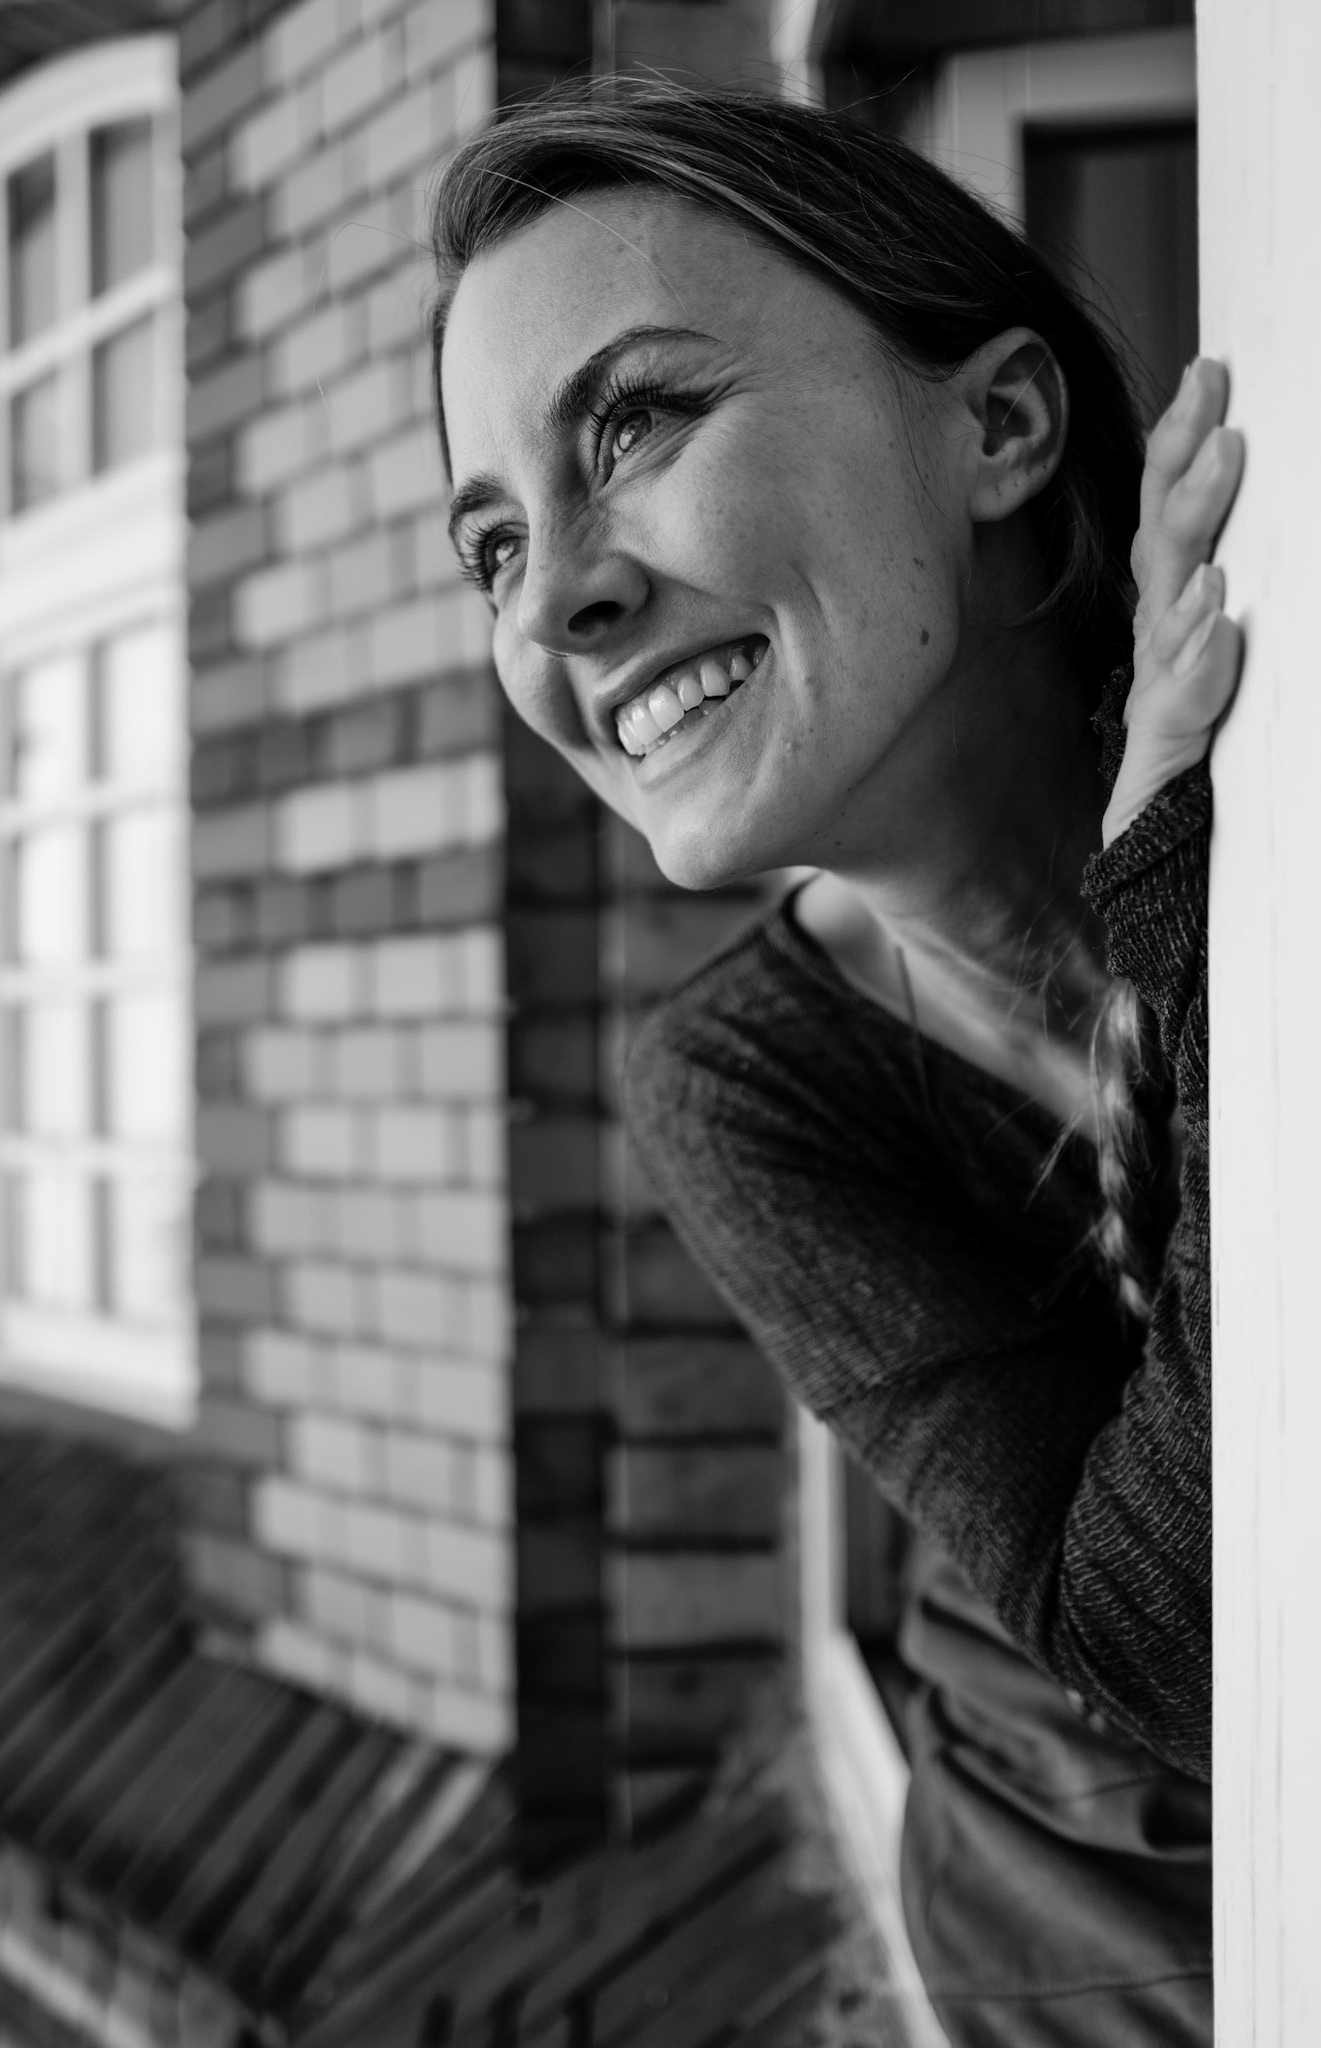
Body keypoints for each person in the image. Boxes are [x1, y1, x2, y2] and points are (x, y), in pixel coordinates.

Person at [430, 84, 1242, 2048]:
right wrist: (1171, 922)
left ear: (995, 424)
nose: (553, 605)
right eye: (487, 544)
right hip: (1075, 1959)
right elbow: (1178, 1629)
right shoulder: (734, 1080)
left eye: (632, 424)